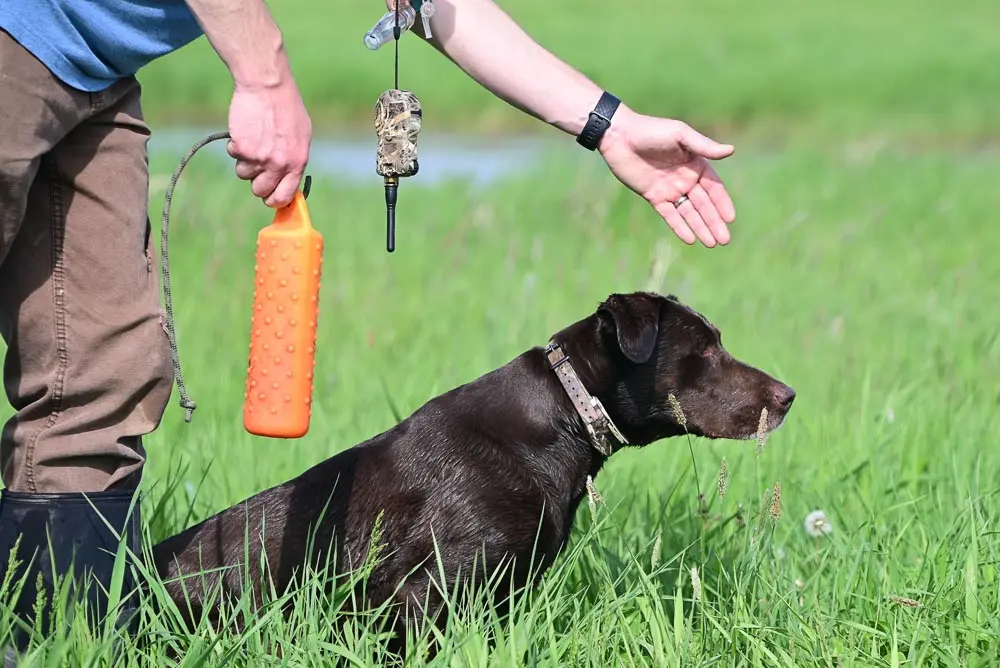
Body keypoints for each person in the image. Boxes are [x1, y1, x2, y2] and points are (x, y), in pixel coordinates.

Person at [0, 0, 737, 648]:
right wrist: (263, 77)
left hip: (94, 74)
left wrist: (608, 126)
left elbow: (447, 7)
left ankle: (61, 645)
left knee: (98, 383)